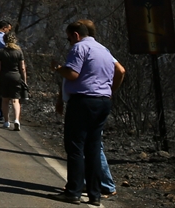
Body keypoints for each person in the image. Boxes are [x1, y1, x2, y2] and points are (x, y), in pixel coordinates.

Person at [53, 19, 124, 206]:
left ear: (75, 35)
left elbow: (73, 74)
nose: (69, 42)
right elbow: (120, 70)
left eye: (69, 38)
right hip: (102, 101)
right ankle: (94, 194)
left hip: (82, 101)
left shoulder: (79, 48)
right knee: (93, 147)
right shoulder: (104, 50)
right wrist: (110, 90)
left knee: (75, 146)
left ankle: (73, 191)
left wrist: (59, 69)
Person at [0, 31, 27, 130]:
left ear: (4, 40)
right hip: (16, 77)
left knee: (5, 100)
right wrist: (24, 80)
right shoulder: (19, 52)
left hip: (4, 77)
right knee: (15, 100)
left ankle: (6, 121)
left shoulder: (1, 52)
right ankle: (16, 120)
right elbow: (22, 68)